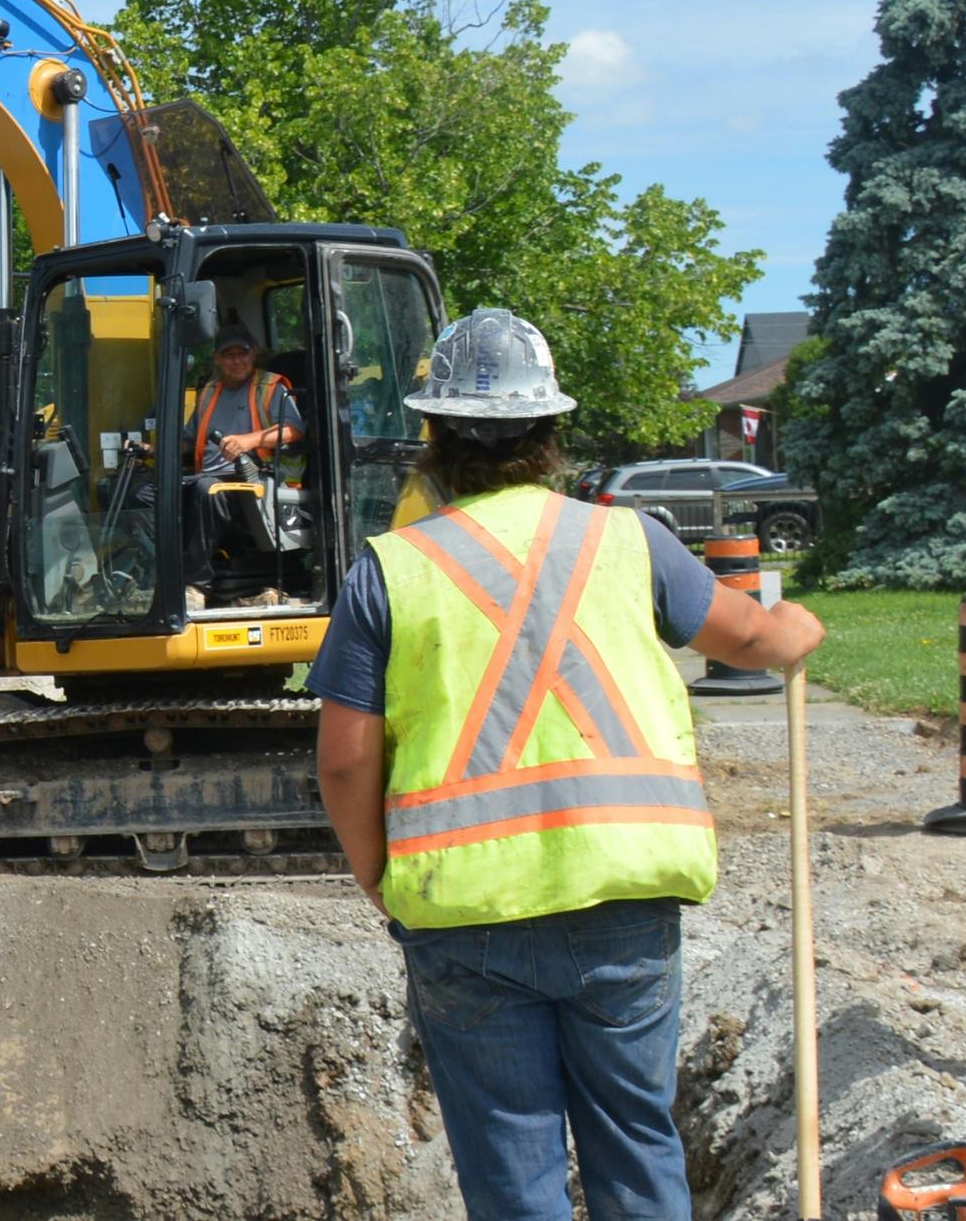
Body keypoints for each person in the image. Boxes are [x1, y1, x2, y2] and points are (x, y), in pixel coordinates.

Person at [310, 309, 823, 1221]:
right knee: (634, 1148)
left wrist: (376, 879)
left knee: (513, 1179)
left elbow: (346, 764)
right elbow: (750, 636)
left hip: (464, 917)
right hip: (620, 899)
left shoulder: (388, 570)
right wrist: (795, 629)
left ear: (431, 435)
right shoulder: (627, 541)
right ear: (549, 432)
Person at [183, 326, 302, 469]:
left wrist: (249, 440)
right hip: (207, 475)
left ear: (253, 354)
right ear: (216, 358)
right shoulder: (208, 392)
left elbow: (293, 430)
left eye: (243, 353)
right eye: (228, 355)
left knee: (205, 487)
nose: (237, 361)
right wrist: (154, 450)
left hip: (254, 477)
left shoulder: (270, 388)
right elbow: (190, 441)